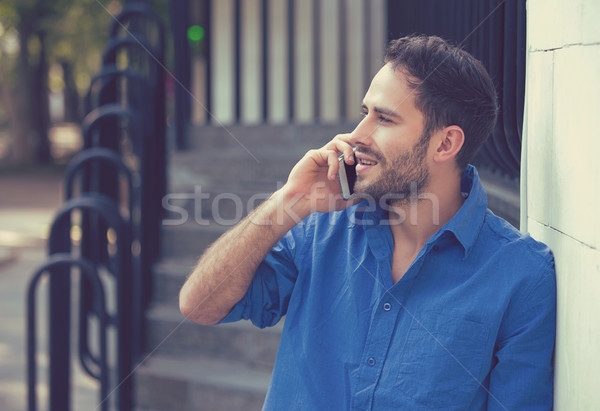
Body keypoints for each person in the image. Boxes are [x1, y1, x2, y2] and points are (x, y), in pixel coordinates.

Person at [179, 34, 556, 410]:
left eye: (385, 119)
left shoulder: (521, 275)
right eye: (365, 113)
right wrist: (288, 201)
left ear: (445, 145)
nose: (356, 136)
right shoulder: (320, 228)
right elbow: (199, 306)